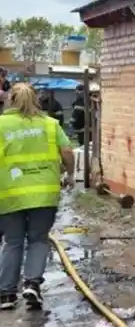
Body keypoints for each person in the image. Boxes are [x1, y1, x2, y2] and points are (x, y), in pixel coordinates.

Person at [0, 83, 75, 310]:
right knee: (38, 239)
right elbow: (68, 151)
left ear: (9, 100)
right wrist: (69, 174)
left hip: (9, 194)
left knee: (12, 242)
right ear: (36, 100)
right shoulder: (50, 125)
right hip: (44, 194)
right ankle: (32, 284)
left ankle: (6, 295)